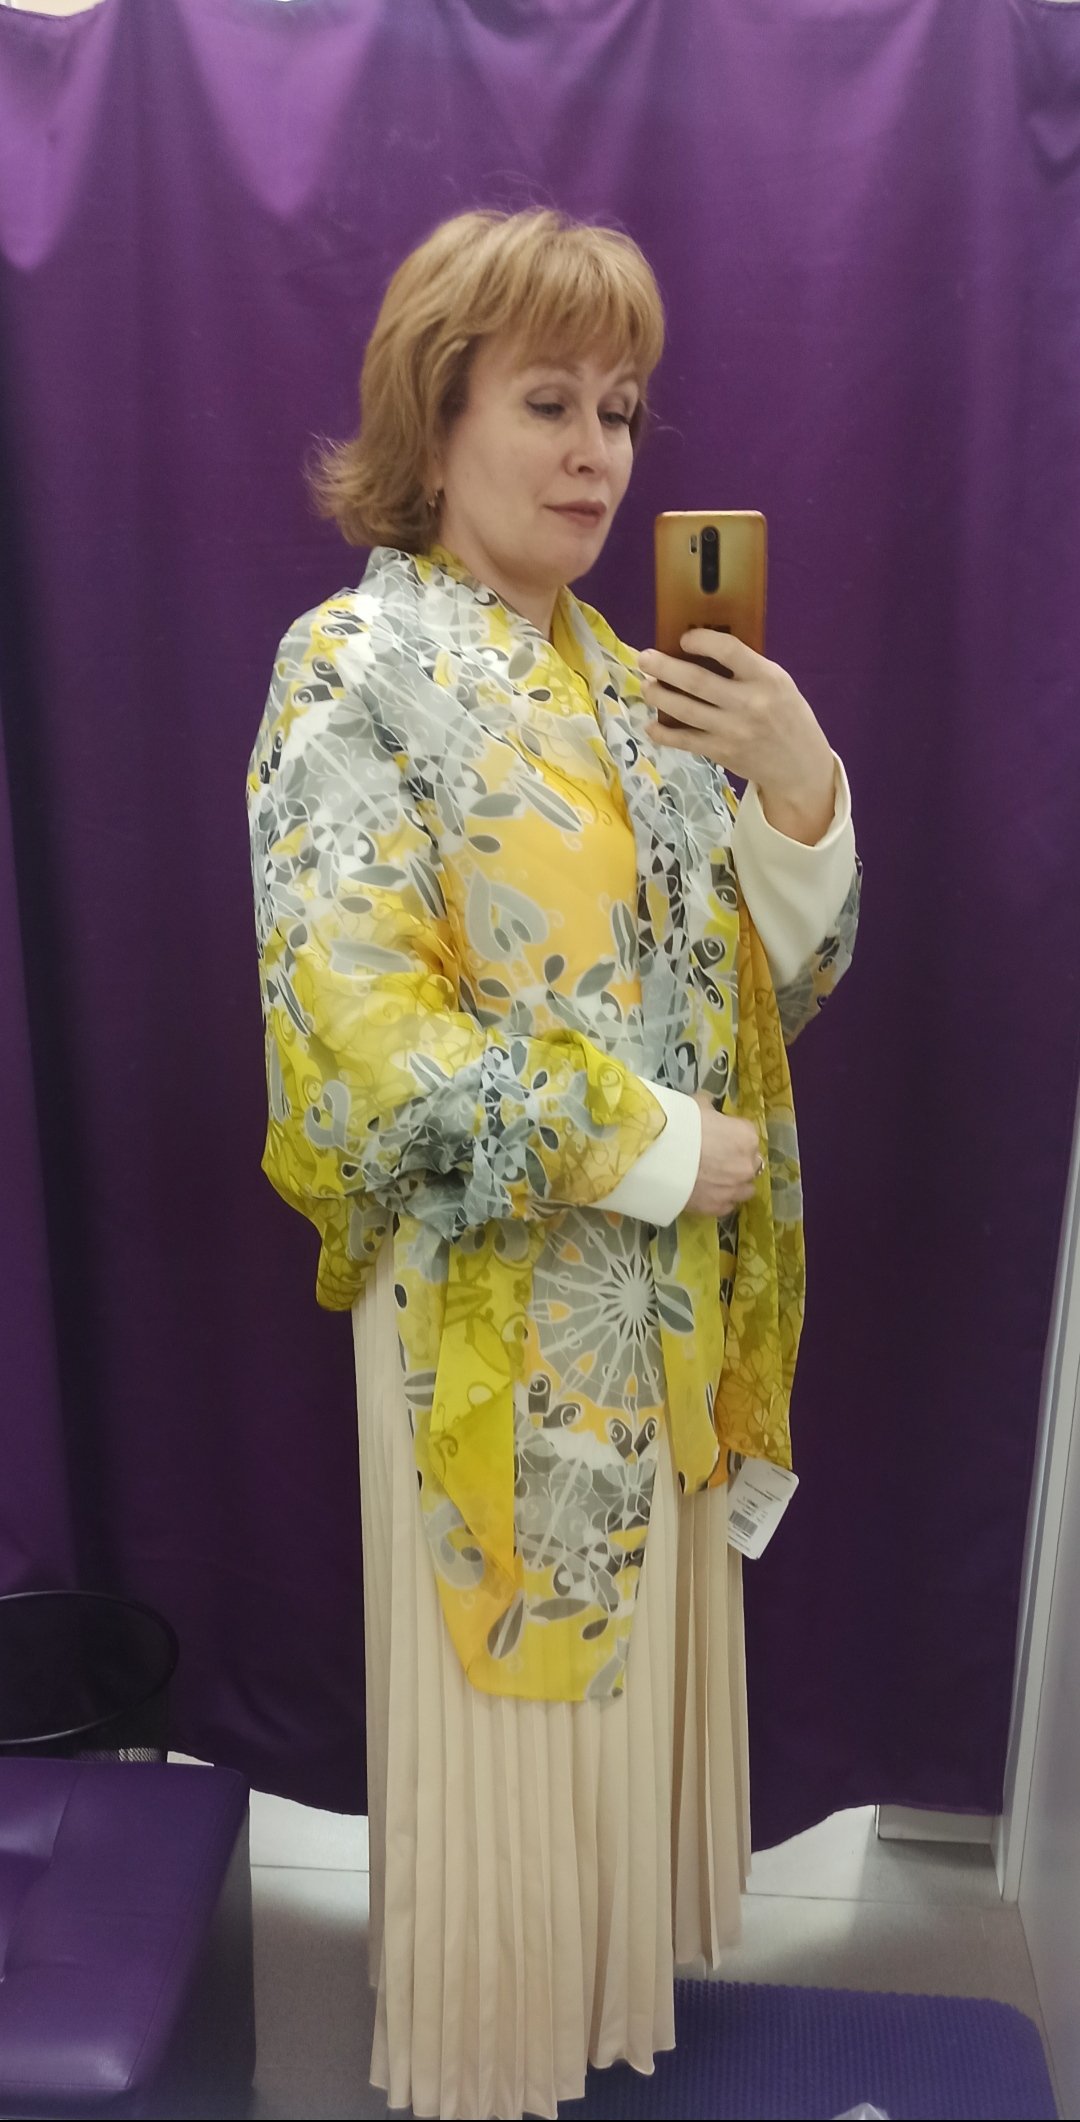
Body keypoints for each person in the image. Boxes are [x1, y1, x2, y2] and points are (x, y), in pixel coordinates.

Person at [247, 208, 860, 2122]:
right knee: (507, 1722)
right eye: (548, 403)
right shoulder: (352, 668)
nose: (599, 451)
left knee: (613, 1728)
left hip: (657, 1314)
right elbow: (358, 1045)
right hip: (492, 1317)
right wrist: (661, 1146)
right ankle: (487, 2066)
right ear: (435, 422)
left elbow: (756, 994)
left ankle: (597, 2036)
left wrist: (797, 786)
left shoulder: (634, 677)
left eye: (621, 410)